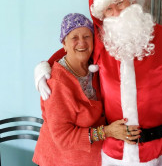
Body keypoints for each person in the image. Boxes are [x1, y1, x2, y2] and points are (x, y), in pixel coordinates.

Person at [34, 0, 162, 166]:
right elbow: (74, 50)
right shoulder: (101, 41)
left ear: (132, 0)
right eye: (109, 9)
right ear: (103, 15)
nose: (116, 12)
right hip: (116, 153)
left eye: (120, 2)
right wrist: (44, 67)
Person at [33, 13, 140, 166]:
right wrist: (108, 131)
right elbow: (63, 137)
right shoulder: (57, 83)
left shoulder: (94, 67)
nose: (82, 42)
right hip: (60, 160)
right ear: (64, 44)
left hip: (90, 157)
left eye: (87, 36)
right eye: (74, 37)